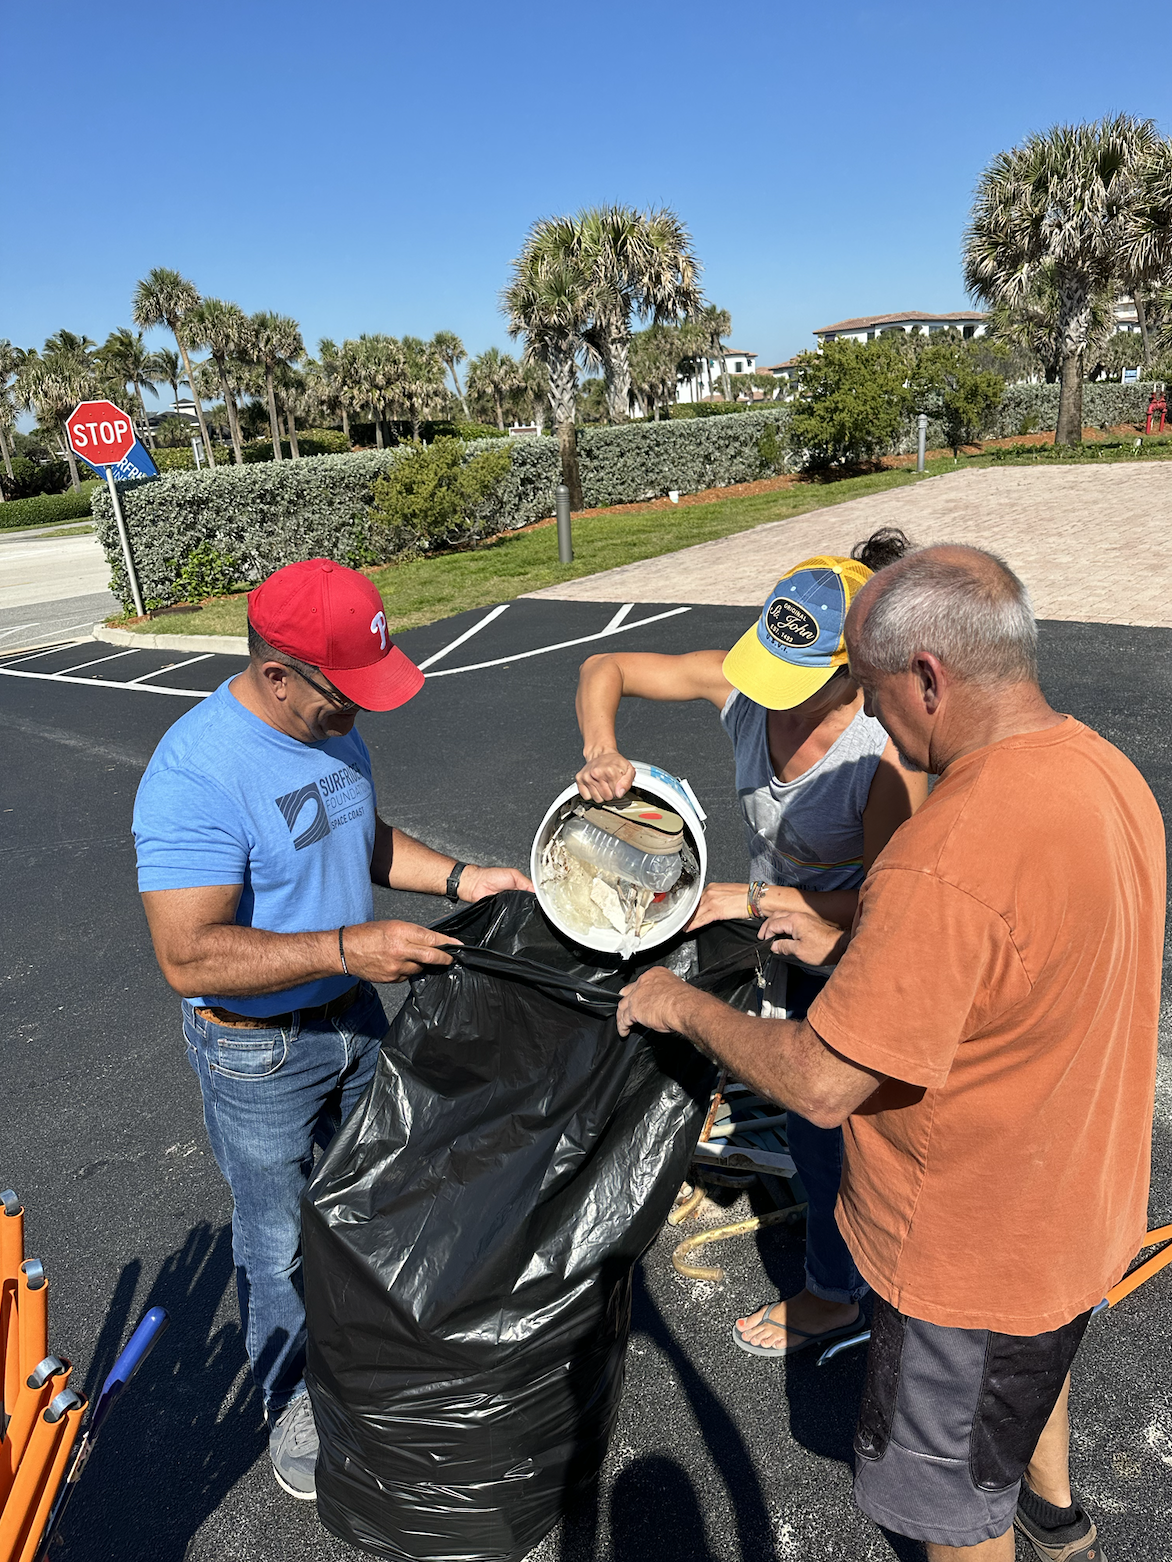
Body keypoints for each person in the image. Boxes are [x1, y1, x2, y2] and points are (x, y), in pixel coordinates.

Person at [615, 545, 1164, 1562]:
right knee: (1031, 1362)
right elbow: (1015, 971)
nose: (869, 719)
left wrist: (680, 1004)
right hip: (1077, 1203)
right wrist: (861, 944)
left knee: (950, 1514)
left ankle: (1014, 1524)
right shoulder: (1102, 768)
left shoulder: (946, 845)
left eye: (868, 689)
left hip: (967, 1252)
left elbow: (822, 1081)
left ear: (926, 676)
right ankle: (1055, 1510)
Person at [132, 559, 532, 1502]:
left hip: (352, 1012)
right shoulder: (196, 772)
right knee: (278, 1242)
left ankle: (369, 1359)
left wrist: (462, 879)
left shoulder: (329, 731)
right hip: (258, 1048)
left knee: (376, 1196)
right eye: (344, 693)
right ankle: (291, 1399)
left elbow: (360, 832)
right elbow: (188, 957)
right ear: (278, 675)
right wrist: (351, 945)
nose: (362, 712)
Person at [574, 528, 928, 1357]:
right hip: (771, 922)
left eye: (797, 685)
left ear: (856, 671)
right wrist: (602, 748)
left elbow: (891, 906)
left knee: (826, 1123)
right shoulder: (744, 694)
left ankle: (837, 1296)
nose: (770, 698)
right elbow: (607, 668)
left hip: (839, 945)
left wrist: (753, 895)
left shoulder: (880, 760)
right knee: (776, 1072)